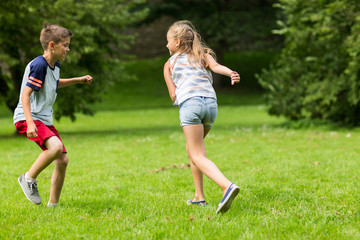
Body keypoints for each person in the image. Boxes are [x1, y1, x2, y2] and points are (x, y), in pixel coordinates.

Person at [163, 20, 241, 214]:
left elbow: (174, 95)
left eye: (168, 41)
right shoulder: (202, 55)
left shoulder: (169, 64)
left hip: (191, 105)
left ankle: (226, 186)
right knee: (194, 150)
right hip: (210, 105)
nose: (166, 45)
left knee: (196, 154)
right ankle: (199, 198)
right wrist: (230, 72)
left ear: (178, 42)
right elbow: (216, 68)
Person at [14, 22, 93, 207]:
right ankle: (28, 178)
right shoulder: (39, 65)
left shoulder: (54, 65)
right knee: (56, 148)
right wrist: (30, 123)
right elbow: (25, 95)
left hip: (43, 119)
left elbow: (54, 83)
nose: (68, 48)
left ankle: (53, 205)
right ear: (52, 45)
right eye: (65, 45)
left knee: (62, 160)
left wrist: (78, 80)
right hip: (29, 117)